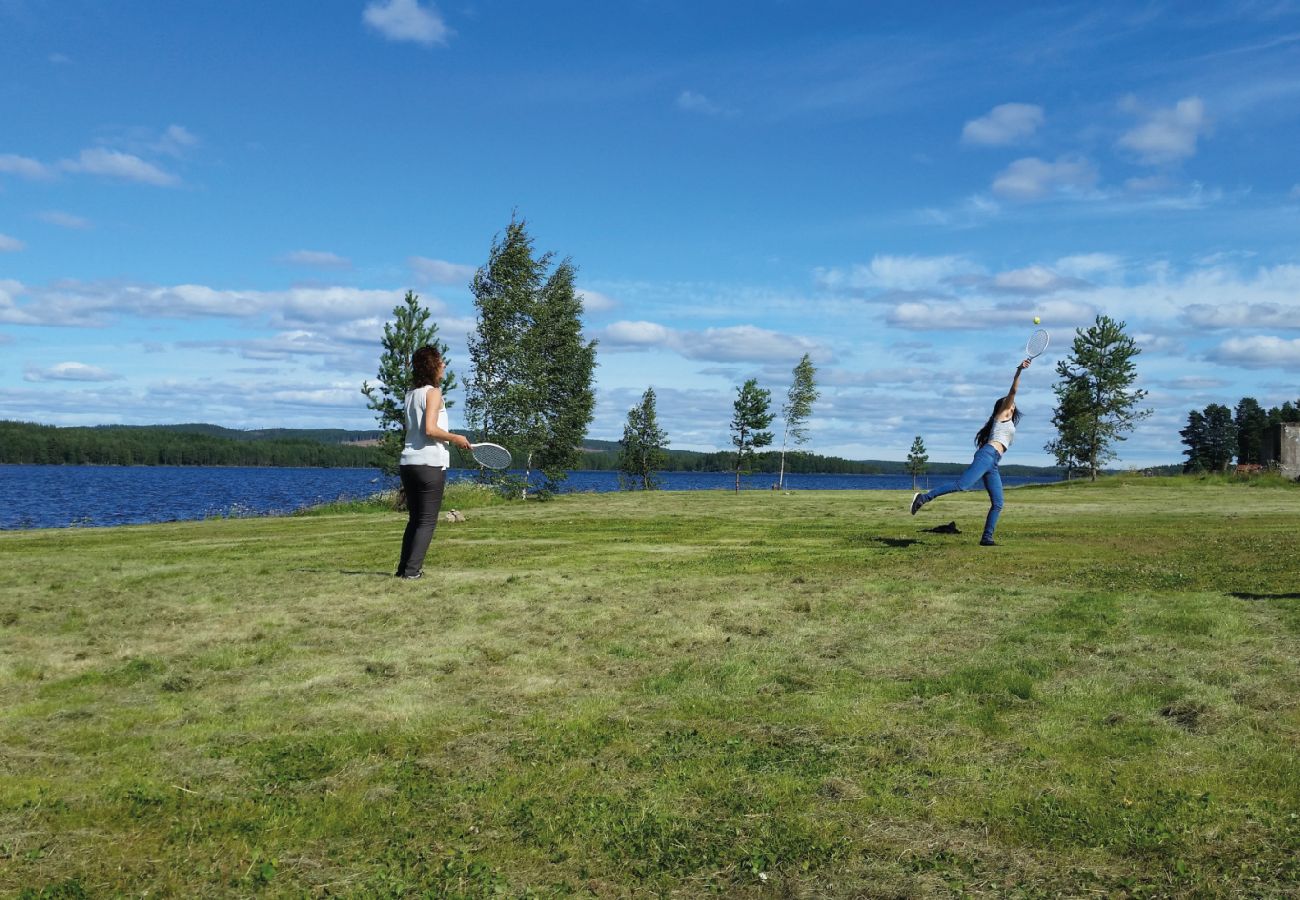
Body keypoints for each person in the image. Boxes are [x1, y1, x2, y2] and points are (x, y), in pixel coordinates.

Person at [909, 359, 1032, 546]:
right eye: (1009, 403)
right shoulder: (1003, 415)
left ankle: (987, 538)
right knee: (962, 485)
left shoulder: (1008, 421)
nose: (1012, 404)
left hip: (994, 461)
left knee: (998, 502)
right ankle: (923, 498)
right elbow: (1013, 391)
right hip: (987, 455)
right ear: (1003, 407)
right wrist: (1019, 372)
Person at [395, 345, 471, 579]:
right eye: (441, 361)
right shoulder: (434, 392)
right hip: (429, 464)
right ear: (432, 365)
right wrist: (455, 438)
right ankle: (412, 572)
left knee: (415, 520)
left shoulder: (410, 394)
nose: (444, 365)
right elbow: (430, 429)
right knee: (427, 521)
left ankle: (404, 570)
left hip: (408, 463)